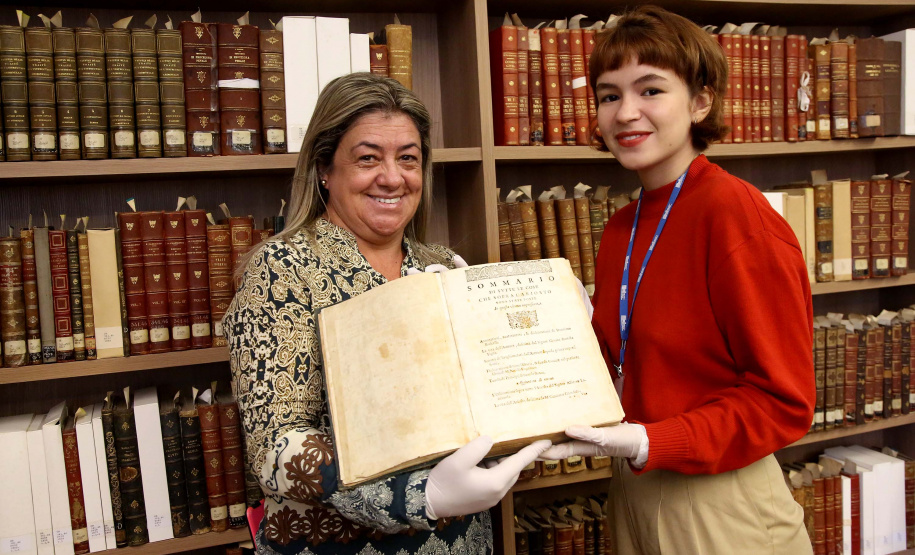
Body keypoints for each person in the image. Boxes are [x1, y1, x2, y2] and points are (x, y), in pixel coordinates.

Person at [223, 72, 550, 554]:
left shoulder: (440, 265)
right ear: (324, 169)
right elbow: (276, 449)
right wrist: (421, 495)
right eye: (368, 158)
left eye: (408, 159)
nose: (393, 178)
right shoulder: (283, 270)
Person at [538, 7, 816, 554]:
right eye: (609, 95)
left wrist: (648, 439)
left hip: (720, 499)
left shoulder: (735, 215)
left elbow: (784, 401)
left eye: (650, 90)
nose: (626, 113)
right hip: (635, 486)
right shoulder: (622, 224)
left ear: (700, 102)